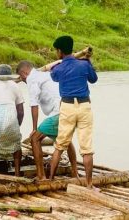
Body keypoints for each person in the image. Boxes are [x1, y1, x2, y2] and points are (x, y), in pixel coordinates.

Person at [48, 36, 98, 189]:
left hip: (68, 107)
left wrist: (57, 64)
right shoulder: (83, 65)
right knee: (87, 147)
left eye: (56, 51)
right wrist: (87, 60)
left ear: (60, 51)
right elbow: (94, 79)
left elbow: (53, 75)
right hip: (84, 106)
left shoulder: (58, 68)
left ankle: (50, 180)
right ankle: (89, 184)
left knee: (60, 144)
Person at [16, 60, 79, 180]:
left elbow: (34, 104)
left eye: (22, 78)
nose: (23, 81)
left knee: (35, 139)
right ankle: (75, 172)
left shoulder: (31, 79)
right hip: (70, 109)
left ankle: (41, 175)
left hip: (58, 113)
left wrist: (34, 128)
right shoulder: (45, 74)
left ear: (24, 73)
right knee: (66, 141)